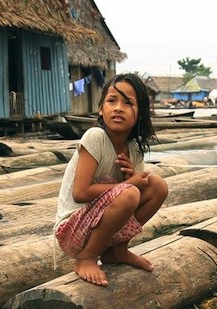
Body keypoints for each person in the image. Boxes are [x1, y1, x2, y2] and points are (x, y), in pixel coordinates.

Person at [53, 73, 168, 287]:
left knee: (157, 186)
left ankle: (117, 250)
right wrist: (128, 184)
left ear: (140, 113)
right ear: (101, 108)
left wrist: (130, 178)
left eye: (128, 103)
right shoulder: (95, 137)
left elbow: (135, 192)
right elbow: (80, 193)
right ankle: (86, 257)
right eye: (111, 100)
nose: (118, 108)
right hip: (72, 230)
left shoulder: (135, 150)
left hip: (102, 228)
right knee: (130, 192)